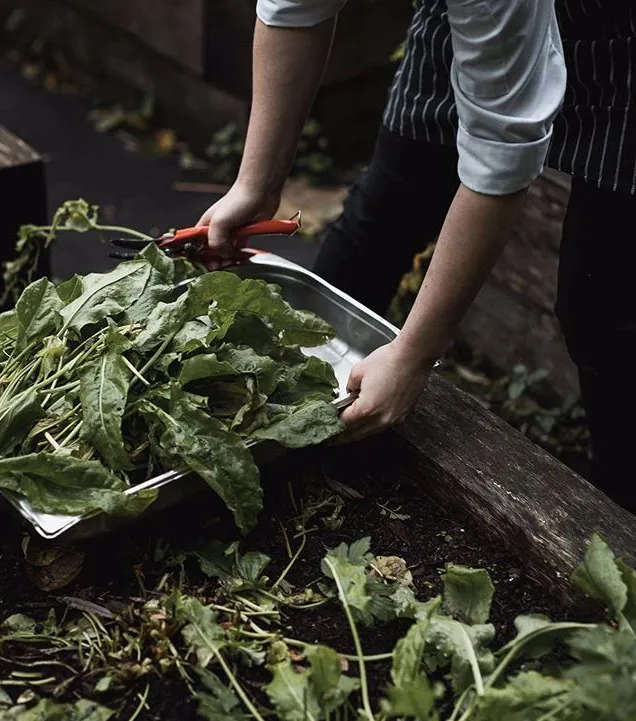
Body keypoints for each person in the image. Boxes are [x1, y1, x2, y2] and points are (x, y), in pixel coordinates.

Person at [197, 0, 636, 512]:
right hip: (473, 18)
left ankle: (619, 521)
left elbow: (500, 153)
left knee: (603, 311)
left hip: (622, 42)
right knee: (386, 208)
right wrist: (256, 185)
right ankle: (297, 409)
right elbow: (293, 10)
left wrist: (414, 356)